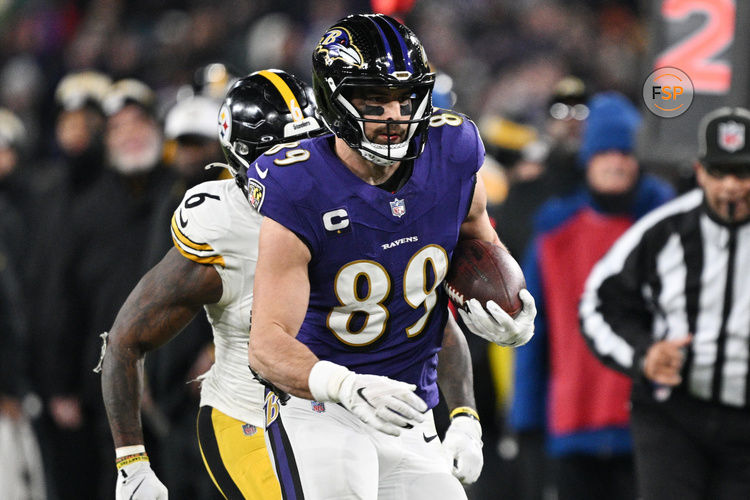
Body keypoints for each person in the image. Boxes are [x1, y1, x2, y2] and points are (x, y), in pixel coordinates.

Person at [99, 69, 484, 500]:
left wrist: (464, 415)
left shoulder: (354, 204)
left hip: (361, 413)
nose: (296, 167)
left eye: (308, 148)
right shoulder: (224, 228)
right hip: (250, 417)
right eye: (280, 155)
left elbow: (425, 320)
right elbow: (124, 340)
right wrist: (131, 461)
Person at [245, 14, 536, 500]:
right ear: (333, 102)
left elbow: (476, 246)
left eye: (404, 99)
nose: (395, 116)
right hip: (319, 408)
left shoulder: (453, 151)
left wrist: (510, 301)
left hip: (408, 411)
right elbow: (267, 345)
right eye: (373, 101)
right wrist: (344, 385)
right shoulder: (298, 186)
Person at [510, 92, 675, 500]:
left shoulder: (668, 229)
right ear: (588, 159)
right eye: (605, 151)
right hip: (574, 420)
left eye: (625, 151)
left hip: (653, 424)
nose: (616, 161)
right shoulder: (554, 234)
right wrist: (526, 416)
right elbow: (532, 329)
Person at [579, 106, 750, 500]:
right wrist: (643, 355)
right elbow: (597, 304)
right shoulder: (664, 231)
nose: (730, 187)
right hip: (673, 416)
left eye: (742, 173)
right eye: (720, 172)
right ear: (701, 171)